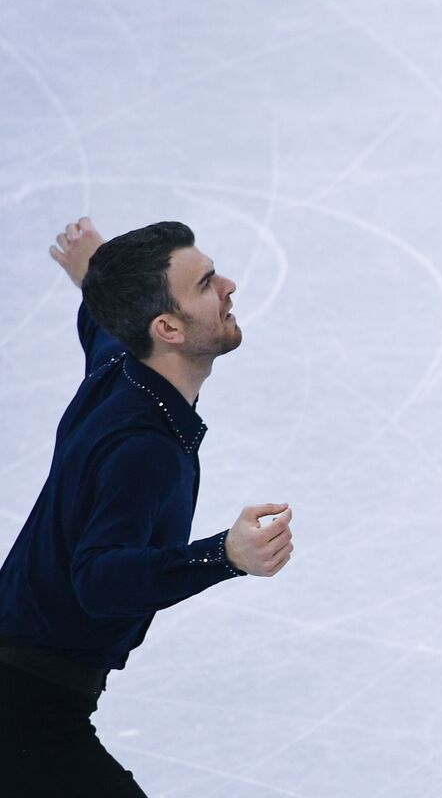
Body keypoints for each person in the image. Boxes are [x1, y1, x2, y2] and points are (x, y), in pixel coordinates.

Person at [0, 217, 295, 796]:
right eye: (208, 283)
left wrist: (99, 270)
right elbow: (100, 581)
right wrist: (224, 556)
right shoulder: (145, 450)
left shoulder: (120, 367)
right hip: (24, 705)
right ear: (167, 328)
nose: (230, 284)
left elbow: (105, 320)